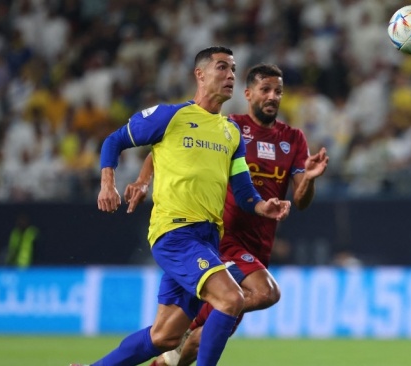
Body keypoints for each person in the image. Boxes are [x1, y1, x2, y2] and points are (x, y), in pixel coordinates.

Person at [89, 47, 291, 366]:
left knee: (165, 336)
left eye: (234, 69)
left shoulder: (231, 133)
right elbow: (114, 141)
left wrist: (264, 207)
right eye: (222, 68)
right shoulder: (171, 116)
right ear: (200, 74)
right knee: (230, 298)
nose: (230, 76)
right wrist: (107, 183)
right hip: (176, 233)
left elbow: (243, 192)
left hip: (207, 240)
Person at [123, 63, 328, 366]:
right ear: (248, 93)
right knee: (265, 292)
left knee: (196, 344)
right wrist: (142, 181)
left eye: (279, 91)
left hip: (259, 247)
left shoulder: (293, 138)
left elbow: (301, 200)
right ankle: (186, 325)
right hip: (224, 238)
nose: (273, 96)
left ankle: (166, 356)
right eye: (266, 90)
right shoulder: (230, 126)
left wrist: (309, 179)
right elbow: (168, 148)